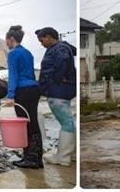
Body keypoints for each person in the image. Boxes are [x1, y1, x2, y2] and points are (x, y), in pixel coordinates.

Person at [36, 27, 77, 165]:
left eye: (41, 40)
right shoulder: (63, 47)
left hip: (57, 92)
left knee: (66, 122)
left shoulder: (58, 48)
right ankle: (71, 153)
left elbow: (63, 61)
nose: (41, 44)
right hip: (63, 91)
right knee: (69, 122)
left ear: (48, 37)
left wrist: (56, 79)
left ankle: (63, 156)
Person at [4, 25, 44, 168]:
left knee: (25, 124)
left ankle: (30, 158)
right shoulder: (28, 53)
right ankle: (38, 157)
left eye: (6, 40)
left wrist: (10, 95)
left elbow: (13, 75)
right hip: (33, 88)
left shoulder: (13, 54)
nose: (6, 44)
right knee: (33, 122)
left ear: (12, 39)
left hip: (23, 90)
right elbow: (32, 74)